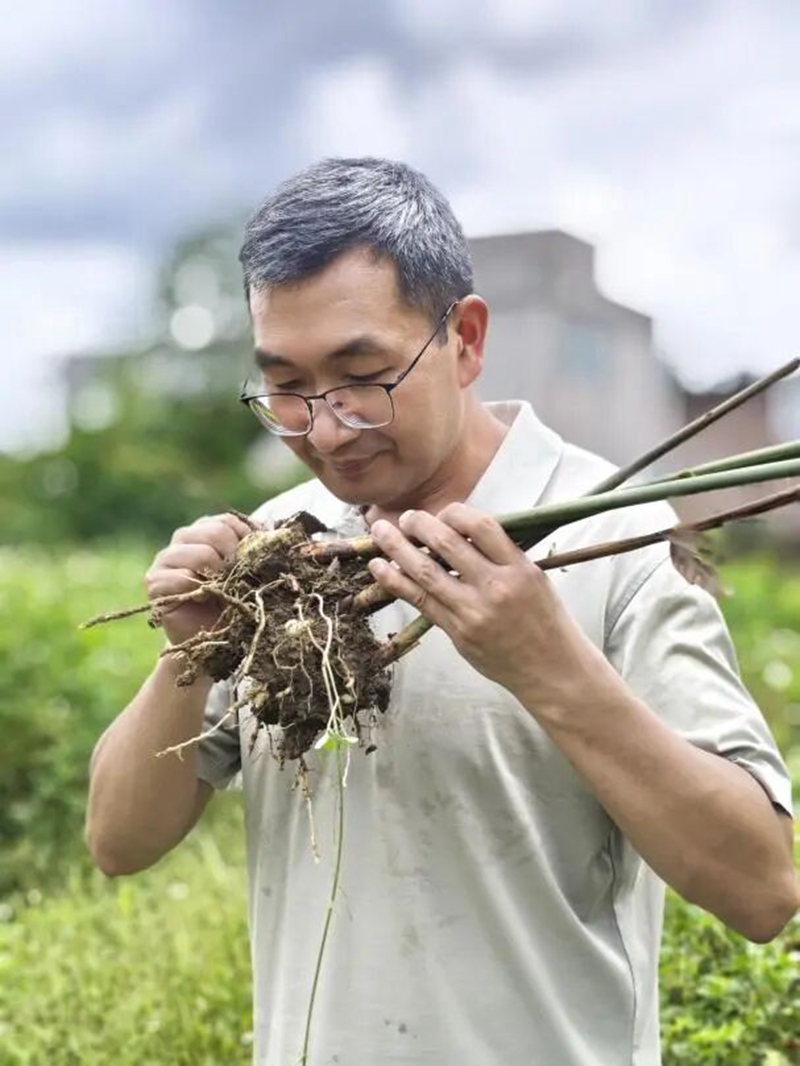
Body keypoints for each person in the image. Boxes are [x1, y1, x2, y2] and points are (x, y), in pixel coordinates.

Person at [86, 158, 798, 1066]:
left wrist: (544, 662)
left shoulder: (615, 541)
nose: (326, 428)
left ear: (464, 339)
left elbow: (759, 888)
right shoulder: (280, 546)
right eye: (287, 387)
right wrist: (187, 658)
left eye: (363, 375)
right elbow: (118, 842)